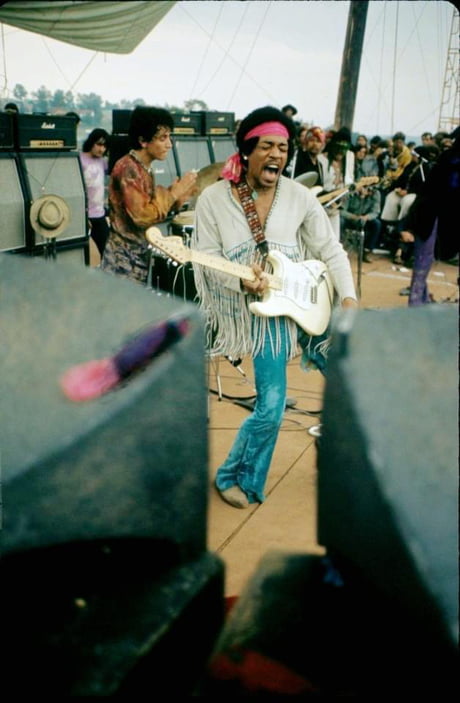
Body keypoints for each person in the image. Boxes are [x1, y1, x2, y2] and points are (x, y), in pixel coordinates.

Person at [191, 106, 358, 509]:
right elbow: (206, 259)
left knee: (357, 380)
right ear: (247, 150)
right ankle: (234, 475)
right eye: (267, 146)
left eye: (283, 147)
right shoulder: (213, 199)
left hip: (313, 302)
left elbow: (330, 250)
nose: (277, 155)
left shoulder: (299, 196)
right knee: (270, 408)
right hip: (265, 315)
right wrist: (241, 279)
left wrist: (349, 298)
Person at [101, 106, 197, 284]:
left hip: (136, 255)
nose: (169, 144)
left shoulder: (143, 168)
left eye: (169, 137)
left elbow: (151, 208)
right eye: (162, 138)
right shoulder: (128, 168)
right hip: (122, 261)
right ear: (143, 140)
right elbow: (142, 216)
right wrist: (174, 193)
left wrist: (176, 199)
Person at [399, 128, 459, 306]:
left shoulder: (447, 158)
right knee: (422, 262)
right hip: (432, 217)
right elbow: (429, 194)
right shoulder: (449, 160)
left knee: (422, 263)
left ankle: (419, 300)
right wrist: (409, 225)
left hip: (440, 217)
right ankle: (417, 302)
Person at [318, 127, 355, 239]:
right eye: (338, 148)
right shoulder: (321, 159)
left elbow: (350, 179)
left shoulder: (349, 157)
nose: (340, 153)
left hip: (337, 207)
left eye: (344, 149)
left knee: (334, 240)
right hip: (321, 204)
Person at [79, 128, 111, 257]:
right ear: (91, 142)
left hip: (99, 214)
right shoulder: (79, 159)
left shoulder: (103, 161)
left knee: (107, 252)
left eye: (105, 146)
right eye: (99, 144)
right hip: (85, 215)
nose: (101, 149)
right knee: (82, 253)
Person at [340, 182, 382, 262]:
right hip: (350, 217)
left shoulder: (376, 194)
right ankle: (340, 247)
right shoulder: (350, 192)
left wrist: (367, 217)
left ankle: (366, 251)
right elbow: (342, 211)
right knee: (340, 221)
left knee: (377, 224)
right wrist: (353, 217)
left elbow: (375, 212)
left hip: (364, 219)